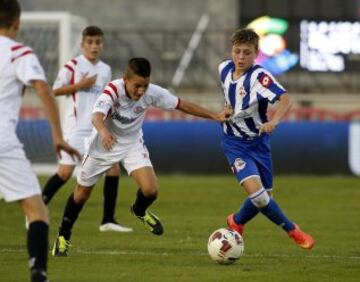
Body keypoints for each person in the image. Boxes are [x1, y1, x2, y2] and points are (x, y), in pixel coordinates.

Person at [52, 57, 232, 256]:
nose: (140, 91)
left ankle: (139, 210)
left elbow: (182, 104)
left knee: (150, 190)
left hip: (131, 145)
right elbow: (96, 116)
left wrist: (215, 115)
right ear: (125, 79)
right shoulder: (113, 90)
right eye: (137, 86)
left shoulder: (152, 92)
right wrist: (103, 132)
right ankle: (63, 235)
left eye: (144, 86)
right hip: (103, 146)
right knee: (81, 194)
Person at [0, 0, 80, 281]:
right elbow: (44, 90)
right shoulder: (19, 52)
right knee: (37, 211)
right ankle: (38, 274)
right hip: (3, 142)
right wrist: (58, 136)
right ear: (18, 23)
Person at [220, 28, 314, 249]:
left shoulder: (260, 77)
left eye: (246, 53)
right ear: (232, 50)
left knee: (265, 196)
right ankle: (293, 230)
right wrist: (226, 109)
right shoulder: (223, 68)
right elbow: (229, 96)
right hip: (234, 142)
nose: (241, 57)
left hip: (259, 142)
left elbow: (285, 99)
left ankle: (237, 220)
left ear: (256, 54)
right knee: (261, 198)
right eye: (237, 51)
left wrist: (274, 121)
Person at [41, 26, 132, 233]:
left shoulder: (105, 69)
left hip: (96, 129)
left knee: (114, 169)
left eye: (98, 42)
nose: (94, 46)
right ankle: (35, 211)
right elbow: (52, 90)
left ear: (102, 44)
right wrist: (79, 85)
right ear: (82, 44)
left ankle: (107, 220)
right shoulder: (72, 66)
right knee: (65, 173)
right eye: (90, 42)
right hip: (75, 129)